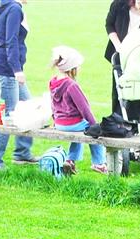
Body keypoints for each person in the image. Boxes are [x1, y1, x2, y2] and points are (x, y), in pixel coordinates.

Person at [0, 0, 38, 170]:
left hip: (3, 69)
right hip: (6, 73)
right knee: (8, 117)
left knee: (27, 106)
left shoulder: (5, 7)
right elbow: (10, 41)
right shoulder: (14, 8)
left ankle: (22, 153)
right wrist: (16, 69)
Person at [49, 46, 108, 175]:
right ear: (72, 68)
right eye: (78, 66)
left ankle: (70, 160)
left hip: (59, 123)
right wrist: (94, 124)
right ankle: (99, 163)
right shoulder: (72, 85)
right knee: (92, 130)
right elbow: (84, 108)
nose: (79, 68)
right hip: (73, 123)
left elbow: (53, 104)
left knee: (80, 131)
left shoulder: (53, 82)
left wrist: (55, 120)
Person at [104, 0, 140, 119]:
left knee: (137, 91)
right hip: (119, 54)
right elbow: (109, 25)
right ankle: (117, 120)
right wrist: (118, 46)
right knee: (118, 88)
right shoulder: (118, 5)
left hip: (139, 57)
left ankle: (139, 121)